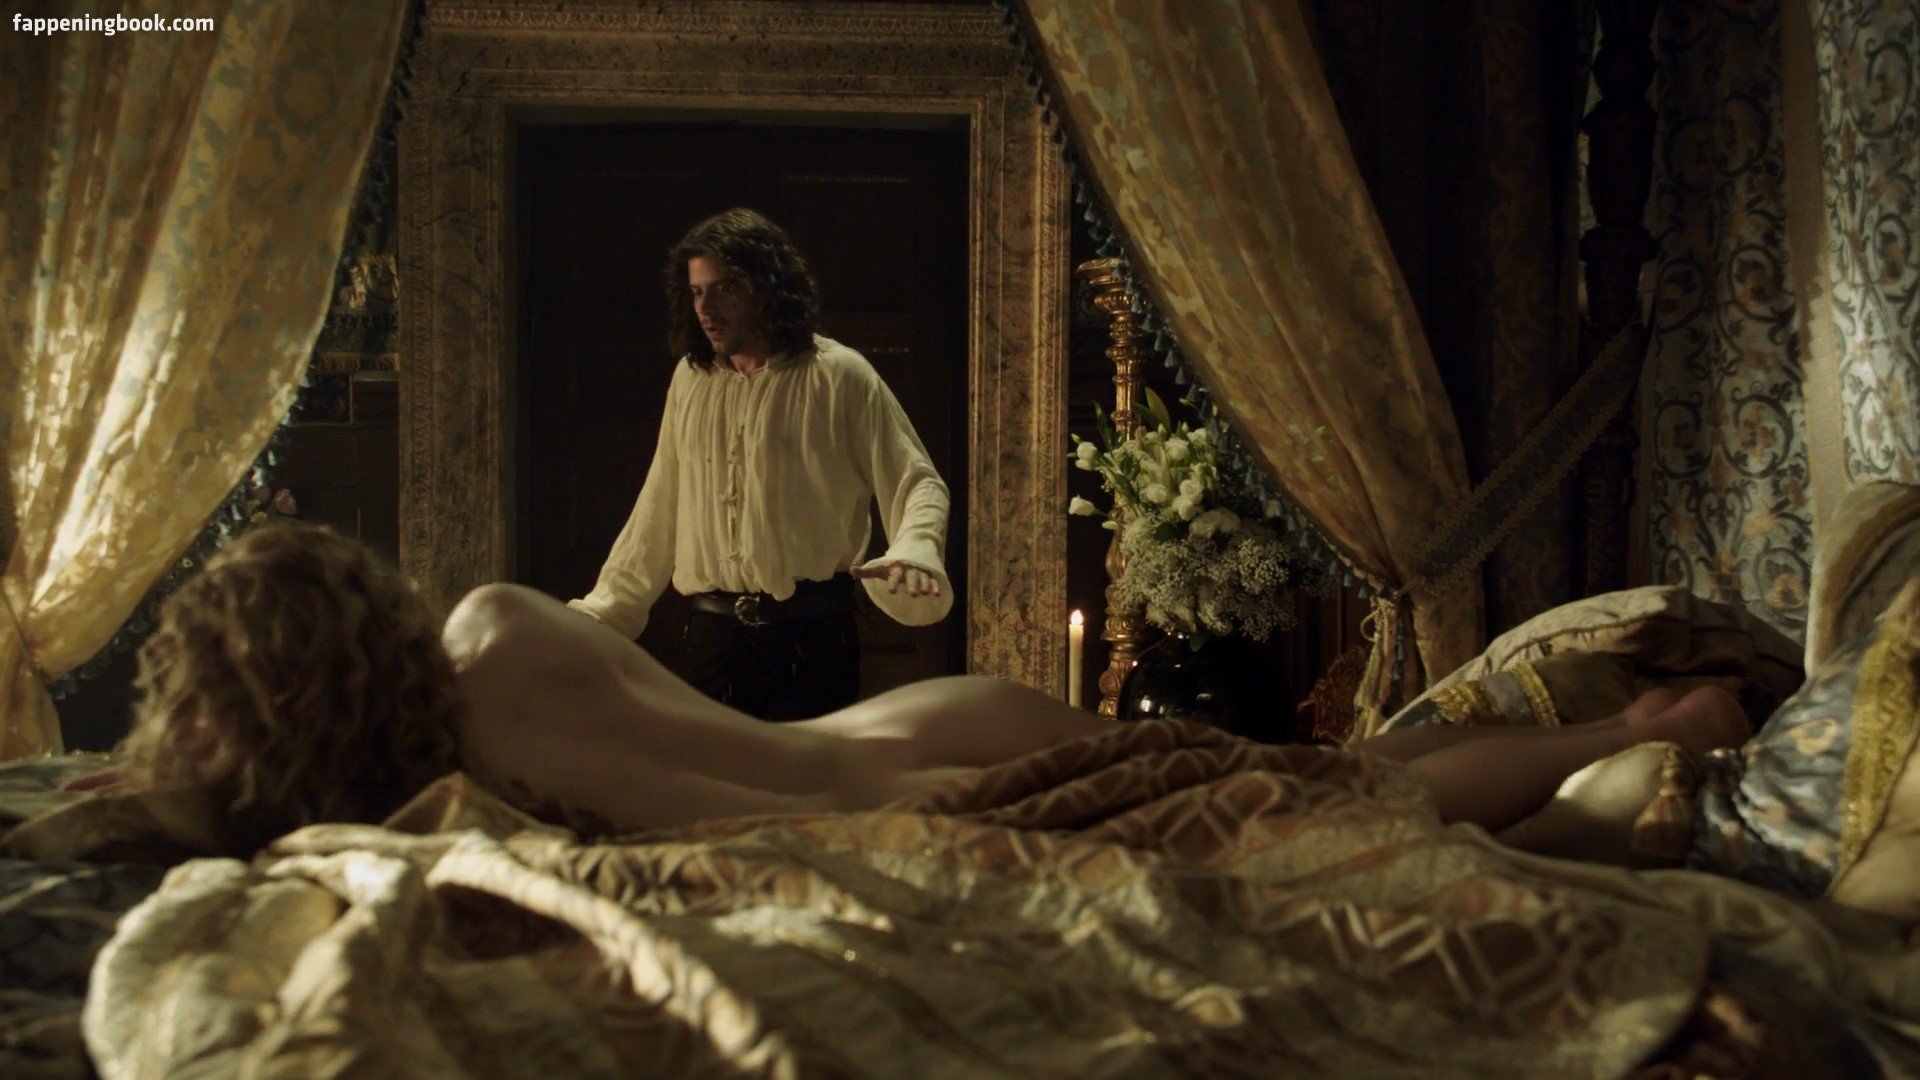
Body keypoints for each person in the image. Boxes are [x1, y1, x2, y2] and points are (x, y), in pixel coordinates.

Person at [106, 523, 1752, 846]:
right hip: (933, 717)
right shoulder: (492, 620)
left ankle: (1654, 725)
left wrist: (1008, 821)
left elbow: (749, 815)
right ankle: (1609, 731)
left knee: (1326, 802)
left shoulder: (470, 776)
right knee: (1316, 782)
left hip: (934, 777)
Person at [570, 207, 951, 720]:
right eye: (697, 292)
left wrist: (915, 549)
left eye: (725, 288)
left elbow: (918, 481)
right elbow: (660, 504)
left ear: (768, 288)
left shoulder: (839, 375)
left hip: (811, 639)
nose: (706, 308)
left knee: (808, 771)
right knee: (714, 772)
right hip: (713, 639)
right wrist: (604, 611)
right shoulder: (691, 379)